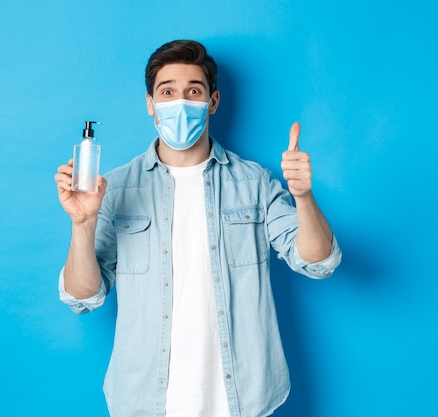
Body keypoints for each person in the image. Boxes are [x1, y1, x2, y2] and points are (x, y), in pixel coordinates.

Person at [54, 39, 342, 417]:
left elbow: (319, 261)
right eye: (167, 91)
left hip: (242, 397)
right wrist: (82, 224)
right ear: (150, 104)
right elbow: (83, 298)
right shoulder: (115, 188)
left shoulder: (254, 183)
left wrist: (303, 197)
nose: (180, 102)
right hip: (145, 400)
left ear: (213, 101)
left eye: (193, 91)